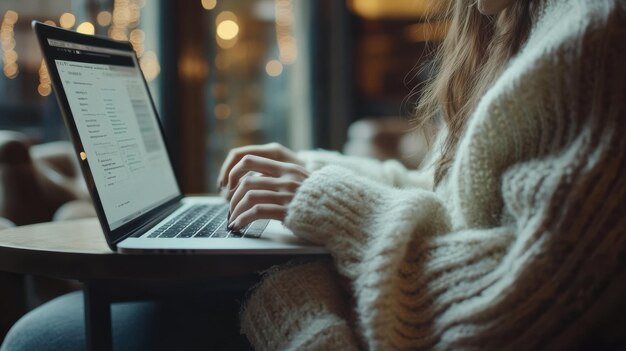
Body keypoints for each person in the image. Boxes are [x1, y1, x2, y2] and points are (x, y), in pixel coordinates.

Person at [218, 0, 626, 349]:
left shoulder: (594, 35)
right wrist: (308, 172)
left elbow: (524, 302)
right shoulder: (517, 28)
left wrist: (330, 203)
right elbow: (448, 200)